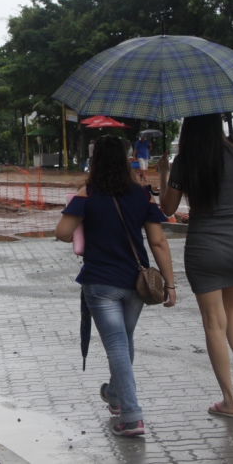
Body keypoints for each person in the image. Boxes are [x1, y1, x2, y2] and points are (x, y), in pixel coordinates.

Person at [55, 136, 176, 437]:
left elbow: (62, 233)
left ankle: (132, 416)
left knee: (118, 344)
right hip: (135, 284)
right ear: (125, 161)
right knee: (124, 341)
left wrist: (83, 217)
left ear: (95, 162)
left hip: (100, 283)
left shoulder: (88, 194)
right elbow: (158, 241)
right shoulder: (141, 196)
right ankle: (115, 397)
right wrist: (171, 285)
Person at [158, 114, 233, 418]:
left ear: (189, 128)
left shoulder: (185, 160)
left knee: (213, 322)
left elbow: (168, 208)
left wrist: (164, 173)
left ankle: (229, 401)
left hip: (204, 248)